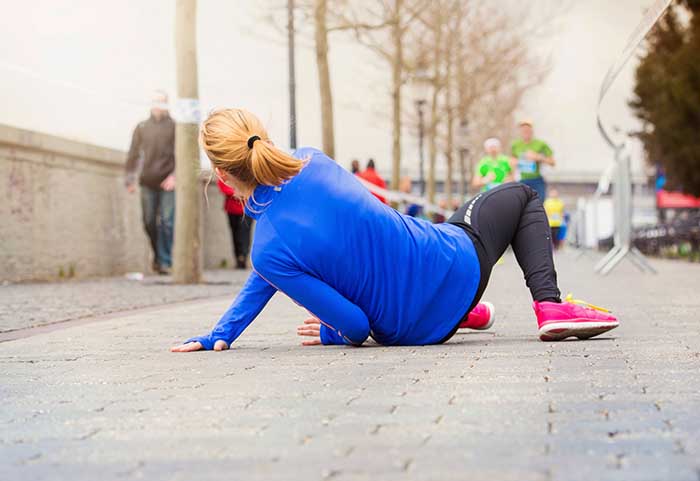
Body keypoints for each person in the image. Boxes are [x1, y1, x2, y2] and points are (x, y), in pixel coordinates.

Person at [171, 108, 618, 353]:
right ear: (263, 138)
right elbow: (273, 265)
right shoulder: (314, 160)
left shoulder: (268, 251)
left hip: (411, 330)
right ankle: (550, 308)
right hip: (456, 267)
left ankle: (466, 315)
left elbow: (354, 325)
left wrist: (222, 333)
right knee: (521, 195)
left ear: (222, 175)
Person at [125, 91, 176, 274]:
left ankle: (164, 261)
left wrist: (175, 176)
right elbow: (133, 153)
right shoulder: (142, 127)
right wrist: (130, 179)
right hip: (147, 181)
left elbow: (184, 154)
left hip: (168, 181)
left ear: (167, 104)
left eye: (162, 102)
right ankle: (158, 255)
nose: (158, 105)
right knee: (148, 221)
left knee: (167, 222)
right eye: (156, 102)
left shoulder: (175, 127)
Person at [511, 119, 555, 201]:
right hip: (522, 180)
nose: (525, 131)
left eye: (527, 129)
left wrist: (538, 157)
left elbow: (552, 162)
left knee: (538, 204)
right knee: (522, 206)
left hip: (537, 180)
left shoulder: (541, 144)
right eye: (523, 129)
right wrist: (514, 164)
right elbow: (512, 161)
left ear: (531, 130)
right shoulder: (515, 145)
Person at [217, 179, 253, 269]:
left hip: (246, 208)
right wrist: (236, 193)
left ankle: (243, 257)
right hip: (232, 207)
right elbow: (222, 183)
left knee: (244, 233)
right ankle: (238, 257)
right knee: (235, 233)